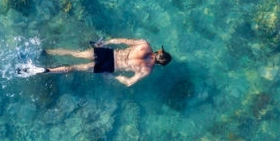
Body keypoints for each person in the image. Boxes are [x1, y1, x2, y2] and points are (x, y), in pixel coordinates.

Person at [19, 38, 171, 86]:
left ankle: (43, 52)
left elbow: (121, 40)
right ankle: (47, 70)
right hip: (110, 66)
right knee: (74, 68)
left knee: (75, 53)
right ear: (160, 64)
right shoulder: (147, 70)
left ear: (159, 51)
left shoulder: (144, 44)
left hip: (108, 53)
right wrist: (113, 76)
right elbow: (129, 82)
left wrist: (103, 42)